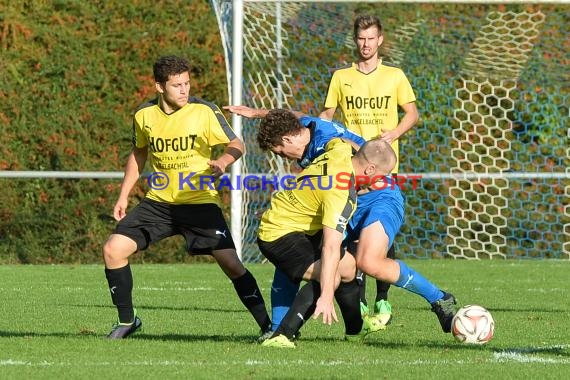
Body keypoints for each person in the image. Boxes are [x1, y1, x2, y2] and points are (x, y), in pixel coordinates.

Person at [102, 55, 271, 339]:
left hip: (199, 202)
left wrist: (223, 162)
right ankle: (127, 321)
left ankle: (268, 327)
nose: (184, 90)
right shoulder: (144, 115)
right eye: (177, 85)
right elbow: (138, 153)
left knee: (231, 264)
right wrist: (123, 195)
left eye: (187, 83)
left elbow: (236, 143)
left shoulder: (204, 111)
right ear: (159, 87)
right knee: (113, 250)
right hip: (159, 203)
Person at [254, 109, 390, 348]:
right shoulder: (341, 194)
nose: (381, 182)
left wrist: (369, 151)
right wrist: (326, 297)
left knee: (349, 267)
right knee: (332, 274)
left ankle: (355, 331)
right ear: (369, 170)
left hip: (294, 225)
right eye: (382, 176)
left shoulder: (338, 151)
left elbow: (342, 140)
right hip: (277, 235)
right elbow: (330, 246)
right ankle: (282, 336)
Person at [224, 105, 365, 334]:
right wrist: (257, 113)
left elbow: (362, 151)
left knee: (346, 266)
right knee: (337, 270)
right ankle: (283, 331)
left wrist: (327, 297)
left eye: (279, 152)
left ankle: (359, 325)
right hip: (296, 223)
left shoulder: (329, 145)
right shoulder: (313, 133)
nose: (281, 157)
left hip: (356, 194)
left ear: (289, 140)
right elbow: (298, 117)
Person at [319, 14, 420, 324]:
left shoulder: (395, 75)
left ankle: (383, 299)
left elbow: (412, 114)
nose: (366, 44)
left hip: (383, 168)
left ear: (381, 40)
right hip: (352, 167)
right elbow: (326, 116)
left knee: (379, 233)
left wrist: (393, 135)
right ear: (355, 40)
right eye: (361, 39)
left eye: (371, 38)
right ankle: (360, 300)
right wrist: (326, 145)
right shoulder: (340, 77)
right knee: (351, 233)